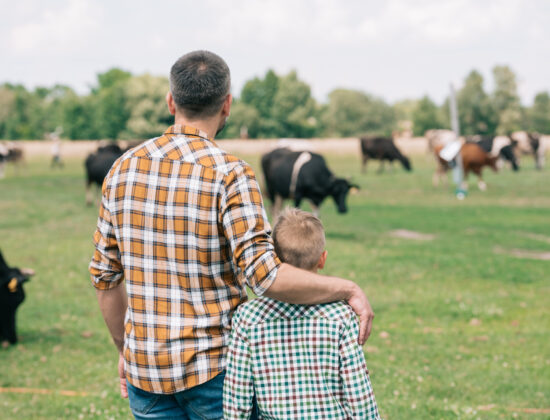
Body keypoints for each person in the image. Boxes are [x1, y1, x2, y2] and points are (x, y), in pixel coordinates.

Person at [89, 50, 374, 420]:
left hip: (146, 373)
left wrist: (124, 350)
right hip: (218, 375)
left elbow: (104, 277)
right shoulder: (231, 174)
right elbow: (265, 275)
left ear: (171, 100)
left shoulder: (121, 170)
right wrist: (347, 289)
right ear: (227, 104)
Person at [223, 208, 382, 419]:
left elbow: (237, 393)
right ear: (322, 259)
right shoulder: (342, 317)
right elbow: (358, 393)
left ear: (274, 259)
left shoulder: (247, 317)